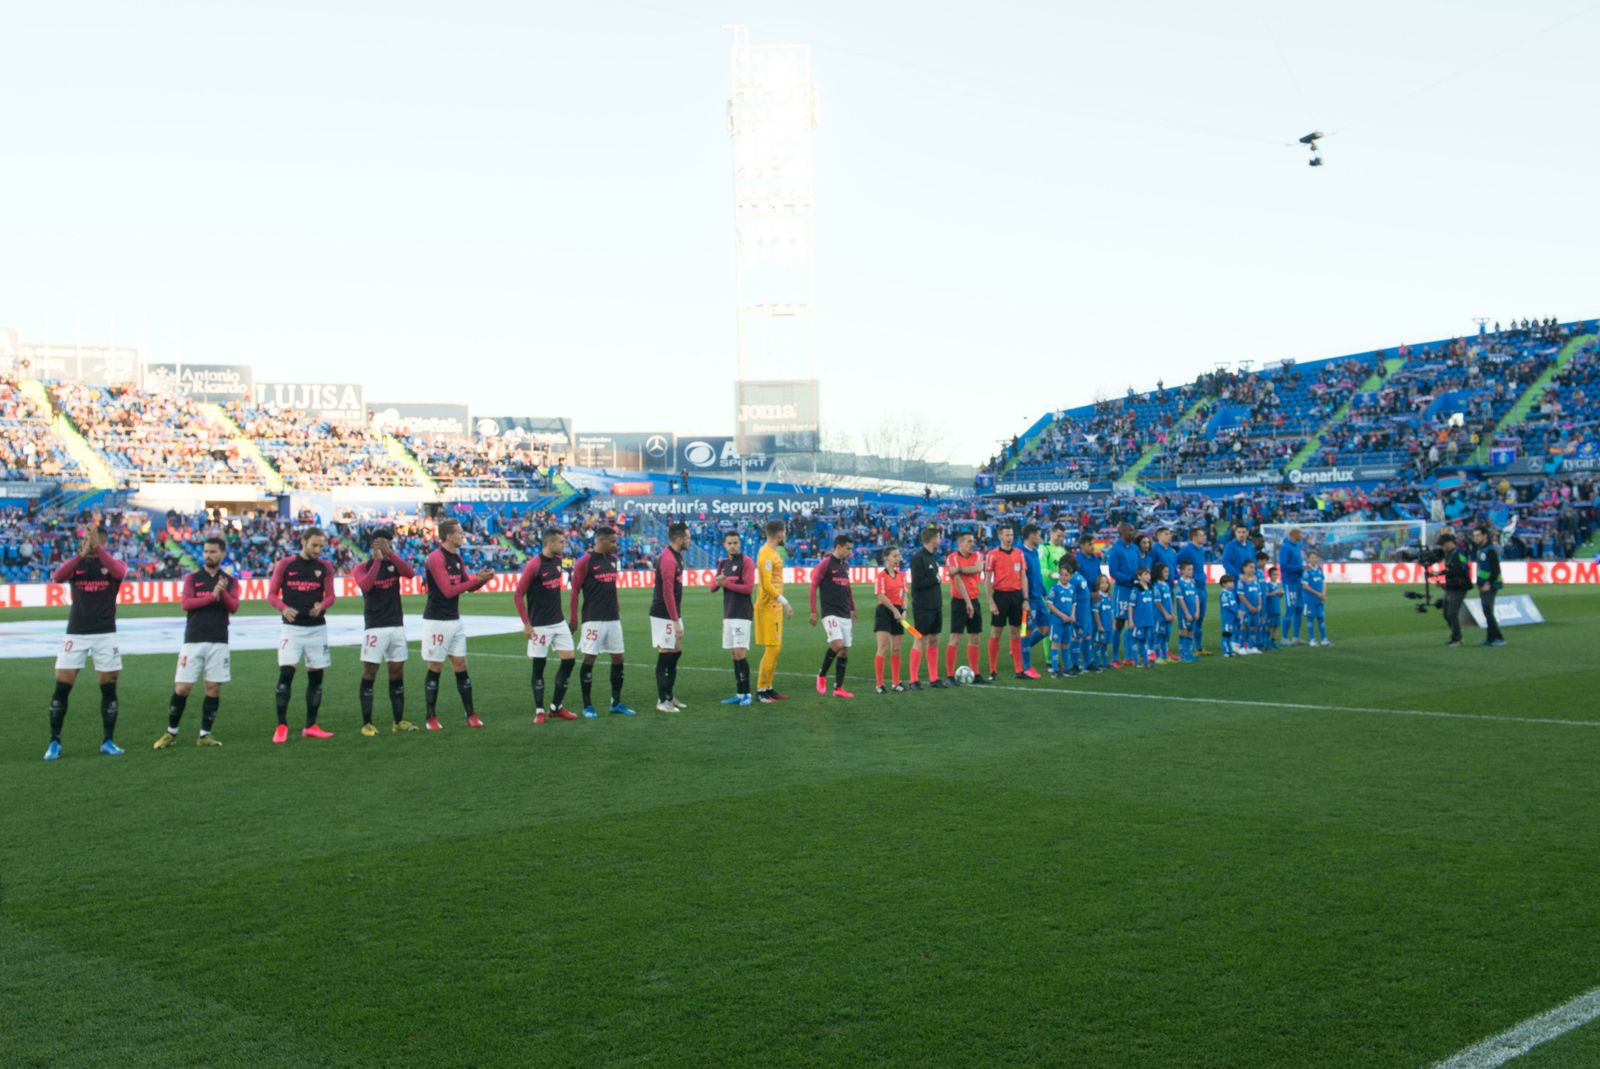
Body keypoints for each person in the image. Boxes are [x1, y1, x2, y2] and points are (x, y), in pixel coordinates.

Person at [45, 524, 128, 760]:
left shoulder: (112, 563)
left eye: (90, 541)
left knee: (109, 687)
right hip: (76, 633)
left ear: (100, 542)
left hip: (105, 633)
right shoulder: (77, 563)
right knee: (62, 686)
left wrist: (98, 549)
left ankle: (108, 741)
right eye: (84, 541)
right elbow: (58, 576)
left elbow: (120, 574)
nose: (86, 544)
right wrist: (82, 553)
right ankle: (54, 742)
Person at [157, 535, 238, 749]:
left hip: (219, 640)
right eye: (205, 552)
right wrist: (212, 597)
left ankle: (205, 735)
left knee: (213, 688)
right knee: (182, 688)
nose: (208, 555)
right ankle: (171, 733)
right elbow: (186, 603)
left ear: (222, 554)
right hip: (193, 639)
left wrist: (222, 594)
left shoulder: (230, 581)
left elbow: (233, 607)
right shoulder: (193, 579)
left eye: (212, 551)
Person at [421, 519, 494, 730]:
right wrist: (474, 580)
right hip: (436, 621)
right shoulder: (436, 558)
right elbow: (448, 590)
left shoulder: (457, 557)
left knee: (461, 665)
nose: (463, 535)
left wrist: (482, 580)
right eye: (460, 532)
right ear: (448, 536)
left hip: (454, 619)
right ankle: (430, 717)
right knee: (435, 666)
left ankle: (470, 714)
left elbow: (467, 587)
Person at [267, 527, 336, 744]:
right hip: (292, 629)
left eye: (321, 546)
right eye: (314, 545)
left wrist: (322, 605)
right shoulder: (287, 564)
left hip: (316, 629)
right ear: (304, 542)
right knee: (286, 674)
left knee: (316, 678)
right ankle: (281, 725)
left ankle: (310, 725)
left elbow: (331, 596)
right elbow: (271, 594)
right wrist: (283, 608)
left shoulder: (324, 567)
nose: (318, 550)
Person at [351, 527, 417, 735]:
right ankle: (366, 723)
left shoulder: (394, 564)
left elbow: (410, 573)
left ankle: (398, 721)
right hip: (375, 626)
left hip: (396, 625)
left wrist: (390, 555)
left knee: (397, 672)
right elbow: (367, 586)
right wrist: (378, 560)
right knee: (370, 672)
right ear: (372, 544)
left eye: (388, 543)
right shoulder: (362, 567)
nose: (385, 546)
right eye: (381, 542)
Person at [570, 527, 636, 717]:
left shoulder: (613, 561)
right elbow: (574, 591)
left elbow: (612, 586)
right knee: (590, 658)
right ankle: (587, 705)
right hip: (593, 619)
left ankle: (616, 703)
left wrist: (617, 605)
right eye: (613, 542)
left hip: (613, 617)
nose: (616, 545)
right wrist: (574, 618)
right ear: (602, 541)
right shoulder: (585, 562)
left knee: (619, 657)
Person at [516, 527, 578, 724]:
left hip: (559, 622)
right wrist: (526, 623)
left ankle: (556, 707)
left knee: (569, 661)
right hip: (540, 626)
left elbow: (563, 586)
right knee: (539, 667)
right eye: (560, 542)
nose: (564, 544)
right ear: (549, 543)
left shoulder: (559, 562)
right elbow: (518, 594)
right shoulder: (534, 565)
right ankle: (540, 710)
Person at [709, 529, 756, 705]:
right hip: (728, 613)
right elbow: (712, 588)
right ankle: (739, 693)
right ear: (724, 545)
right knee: (733, 654)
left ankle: (747, 694)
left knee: (740, 652)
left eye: (735, 542)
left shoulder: (747, 562)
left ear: (740, 543)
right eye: (729, 543)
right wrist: (717, 581)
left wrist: (726, 583)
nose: (733, 546)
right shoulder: (722, 564)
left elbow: (748, 589)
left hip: (742, 613)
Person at [650, 522, 691, 713]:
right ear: (679, 538)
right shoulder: (668, 559)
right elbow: (667, 593)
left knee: (676, 651)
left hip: (672, 612)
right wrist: (675, 621)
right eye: (688, 537)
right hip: (663, 613)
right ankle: (662, 700)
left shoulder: (677, 556)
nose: (690, 540)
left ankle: (669, 695)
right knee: (666, 653)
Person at [809, 534, 856, 699]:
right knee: (837, 644)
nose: (850, 552)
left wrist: (853, 608)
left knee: (844, 651)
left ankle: (839, 688)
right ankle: (821, 675)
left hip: (844, 613)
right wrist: (813, 611)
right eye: (848, 548)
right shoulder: (826, 564)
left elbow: (848, 588)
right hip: (830, 613)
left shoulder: (846, 565)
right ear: (839, 546)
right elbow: (813, 586)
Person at [753, 519, 793, 704]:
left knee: (776, 649)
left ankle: (768, 687)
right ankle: (761, 690)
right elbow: (766, 584)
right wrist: (785, 602)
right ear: (779, 533)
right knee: (773, 648)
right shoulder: (766, 554)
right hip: (768, 607)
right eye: (784, 532)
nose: (785, 535)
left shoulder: (772, 553)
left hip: (774, 607)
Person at [984, 524, 1029, 681]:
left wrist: (1025, 599)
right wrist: (990, 601)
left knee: (1016, 632)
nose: (1010, 538)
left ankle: (1019, 670)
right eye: (1007, 535)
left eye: (1011, 535)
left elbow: (1023, 577)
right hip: (1000, 596)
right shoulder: (992, 555)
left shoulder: (1019, 554)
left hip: (1016, 596)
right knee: (996, 632)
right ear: (1000, 536)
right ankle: (992, 670)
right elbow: (988, 580)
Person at [907, 526, 948, 690]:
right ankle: (913, 680)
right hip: (923, 607)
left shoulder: (933, 557)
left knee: (934, 640)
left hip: (936, 606)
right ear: (932, 539)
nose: (940, 540)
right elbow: (916, 584)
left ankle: (934, 678)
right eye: (939, 537)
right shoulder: (918, 558)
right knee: (920, 640)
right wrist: (936, 579)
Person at [945, 531, 987, 684]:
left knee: (975, 638)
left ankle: (976, 674)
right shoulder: (952, 558)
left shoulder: (977, 555)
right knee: (955, 637)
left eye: (973, 541)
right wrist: (967, 602)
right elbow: (957, 581)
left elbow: (978, 569)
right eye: (969, 541)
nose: (972, 543)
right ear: (960, 543)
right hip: (959, 601)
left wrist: (961, 569)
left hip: (974, 600)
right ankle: (950, 676)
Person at [872, 545, 909, 694]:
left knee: (896, 648)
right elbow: (880, 595)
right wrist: (894, 610)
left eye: (899, 556)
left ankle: (896, 682)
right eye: (894, 556)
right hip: (885, 612)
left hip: (899, 612)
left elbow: (905, 594)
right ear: (886, 558)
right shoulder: (881, 576)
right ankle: (879, 684)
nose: (898, 559)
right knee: (883, 648)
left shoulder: (901, 575)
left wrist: (904, 611)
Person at [1106, 523, 1140, 668]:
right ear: (1123, 532)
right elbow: (1113, 571)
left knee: (1133, 623)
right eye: (1131, 530)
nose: (1134, 533)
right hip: (1122, 590)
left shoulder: (1135, 548)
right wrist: (1128, 578)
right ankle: (1114, 658)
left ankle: (1128, 656)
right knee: (1119, 624)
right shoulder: (1115, 549)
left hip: (1134, 589)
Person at [1176, 527, 1210, 655]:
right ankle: (1188, 648)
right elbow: (1176, 562)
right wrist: (1181, 577)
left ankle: (1198, 647)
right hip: (1192, 589)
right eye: (1202, 535)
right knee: (1191, 619)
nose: (1204, 537)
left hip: (1202, 587)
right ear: (1194, 537)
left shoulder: (1201, 549)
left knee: (1200, 617)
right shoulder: (1186, 550)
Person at [1018, 524, 1046, 678]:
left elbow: (1037, 575)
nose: (1039, 536)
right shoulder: (1021, 554)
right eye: (1037, 534)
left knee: (1045, 629)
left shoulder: (1034, 552)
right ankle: (1026, 666)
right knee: (1026, 631)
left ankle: (1021, 648)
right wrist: (1025, 599)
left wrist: (1044, 592)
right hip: (1028, 600)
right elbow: (1021, 579)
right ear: (1030, 535)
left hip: (1039, 597)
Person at [1471, 526, 1506, 646]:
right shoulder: (1481, 549)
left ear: (1485, 535)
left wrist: (1488, 583)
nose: (1476, 538)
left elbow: (1495, 569)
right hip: (1483, 584)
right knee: (1487, 611)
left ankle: (1498, 638)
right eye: (1474, 536)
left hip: (1490, 585)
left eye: (1478, 535)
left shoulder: (1490, 550)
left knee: (1488, 610)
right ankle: (1491, 638)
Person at [1044, 558, 1078, 677]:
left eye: (1066, 575)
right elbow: (1049, 604)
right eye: (1061, 575)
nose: (1063, 577)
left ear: (1071, 576)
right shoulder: (1055, 588)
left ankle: (1067, 669)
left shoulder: (1072, 588)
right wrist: (1062, 616)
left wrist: (1072, 615)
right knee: (1055, 644)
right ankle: (1054, 670)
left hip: (1068, 622)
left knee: (1066, 645)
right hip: (1057, 622)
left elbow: (1074, 603)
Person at [1438, 532, 1472, 647]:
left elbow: (1461, 571)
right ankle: (1456, 635)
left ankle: (1457, 638)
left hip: (1459, 587)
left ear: (1448, 543)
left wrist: (1446, 576)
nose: (1441, 547)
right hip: (1451, 586)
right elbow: (1452, 570)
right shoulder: (1449, 554)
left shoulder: (1459, 554)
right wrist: (1441, 574)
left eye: (1443, 544)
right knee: (1446, 613)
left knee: (1452, 613)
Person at [1152, 527, 1180, 660]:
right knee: (1158, 620)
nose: (1169, 536)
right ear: (1158, 536)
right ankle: (1153, 649)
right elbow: (1151, 568)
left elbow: (1174, 569)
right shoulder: (1154, 550)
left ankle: (1165, 650)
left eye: (1170, 533)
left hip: (1169, 588)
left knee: (1168, 620)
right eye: (1166, 534)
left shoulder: (1173, 551)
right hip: (1158, 588)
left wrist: (1178, 579)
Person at [1277, 527, 1306, 645]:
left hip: (1299, 581)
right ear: (1294, 534)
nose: (1302, 535)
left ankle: (1296, 637)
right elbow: (1283, 566)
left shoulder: (1297, 545)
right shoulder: (1285, 548)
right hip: (1290, 582)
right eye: (1300, 533)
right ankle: (1284, 638)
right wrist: (1299, 568)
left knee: (1299, 609)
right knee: (1290, 609)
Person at [1129, 567, 1156, 667]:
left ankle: (1145, 660)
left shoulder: (1150, 588)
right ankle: (1136, 661)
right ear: (1139, 576)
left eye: (1149, 574)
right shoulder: (1136, 590)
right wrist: (1131, 620)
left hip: (1148, 620)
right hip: (1139, 621)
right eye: (1145, 574)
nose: (1148, 576)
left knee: (1144, 641)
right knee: (1137, 640)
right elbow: (1131, 605)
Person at [1302, 549, 1329, 646]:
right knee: (1310, 619)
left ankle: (1324, 639)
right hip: (1310, 599)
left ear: (1318, 558)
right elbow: (1305, 586)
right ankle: (1312, 639)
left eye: (1315, 557)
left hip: (1319, 598)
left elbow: (1323, 582)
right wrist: (1318, 594)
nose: (1313, 559)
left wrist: (1323, 594)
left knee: (1321, 618)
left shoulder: (1319, 569)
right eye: (1311, 558)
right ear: (1308, 559)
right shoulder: (1306, 570)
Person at [1235, 560, 1262, 655]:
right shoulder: (1242, 581)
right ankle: (1242, 646)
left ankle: (1252, 646)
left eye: (1253, 567)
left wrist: (1259, 605)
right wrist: (1250, 606)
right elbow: (1241, 596)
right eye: (1250, 567)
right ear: (1244, 568)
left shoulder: (1255, 580)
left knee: (1254, 627)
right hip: (1246, 609)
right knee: (1244, 626)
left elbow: (1259, 594)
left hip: (1255, 608)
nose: (1252, 569)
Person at [1175, 560, 1200, 662]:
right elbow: (1180, 599)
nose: (1191, 571)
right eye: (1189, 569)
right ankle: (1183, 654)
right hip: (1184, 614)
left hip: (1193, 612)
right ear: (1182, 571)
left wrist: (1197, 611)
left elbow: (1196, 597)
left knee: (1190, 632)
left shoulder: (1192, 583)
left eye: (1192, 569)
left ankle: (1189, 653)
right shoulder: (1180, 584)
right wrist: (1186, 613)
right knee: (1184, 631)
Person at [1152, 562, 1175, 661]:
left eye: (1168, 572)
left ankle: (1165, 656)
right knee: (1158, 636)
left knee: (1166, 636)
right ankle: (1157, 656)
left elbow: (1169, 601)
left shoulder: (1166, 585)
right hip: (1160, 617)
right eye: (1165, 572)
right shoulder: (1157, 586)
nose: (1167, 574)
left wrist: (1172, 614)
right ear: (1159, 573)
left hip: (1168, 617)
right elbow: (1158, 602)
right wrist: (1166, 614)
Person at [1091, 576, 1114, 670]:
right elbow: (1095, 612)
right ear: (1098, 584)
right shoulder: (1097, 597)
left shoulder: (1109, 597)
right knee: (1098, 644)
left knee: (1105, 645)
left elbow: (1111, 611)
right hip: (1101, 626)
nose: (1104, 585)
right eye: (1102, 582)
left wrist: (1113, 623)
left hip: (1108, 626)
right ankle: (1097, 662)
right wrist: (1099, 625)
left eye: (1106, 582)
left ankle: (1105, 662)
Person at [1039, 524, 1069, 592]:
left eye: (1063, 536)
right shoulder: (1044, 548)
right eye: (1058, 536)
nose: (1061, 539)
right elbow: (1042, 570)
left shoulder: (1063, 551)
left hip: (1061, 590)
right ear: (1051, 533)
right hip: (1047, 590)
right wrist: (1057, 576)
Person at [1217, 574, 1239, 657]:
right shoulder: (1223, 594)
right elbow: (1227, 606)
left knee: (1230, 634)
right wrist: (1236, 611)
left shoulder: (1230, 593)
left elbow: (1234, 604)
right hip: (1227, 618)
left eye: (1232, 582)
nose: (1232, 583)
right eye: (1230, 582)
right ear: (1224, 584)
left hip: (1233, 617)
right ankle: (1225, 651)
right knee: (1226, 633)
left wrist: (1237, 612)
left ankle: (1230, 650)